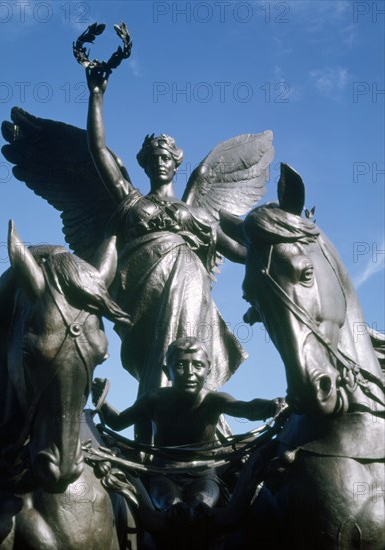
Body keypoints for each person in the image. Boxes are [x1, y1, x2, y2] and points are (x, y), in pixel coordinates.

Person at [86, 68, 248, 442]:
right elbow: (97, 150)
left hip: (191, 287)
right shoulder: (130, 200)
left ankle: (202, 431)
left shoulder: (201, 214)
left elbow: (240, 252)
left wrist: (281, 240)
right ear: (144, 163)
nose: (161, 160)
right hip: (143, 294)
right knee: (151, 360)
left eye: (167, 156)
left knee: (187, 358)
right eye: (154, 156)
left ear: (176, 163)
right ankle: (145, 437)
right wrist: (97, 94)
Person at [92, 337, 285, 519]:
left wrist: (271, 406)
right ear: (168, 372)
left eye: (198, 365)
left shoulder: (214, 400)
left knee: (201, 503)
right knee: (171, 504)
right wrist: (101, 401)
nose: (190, 371)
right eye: (181, 365)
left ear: (208, 370)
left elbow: (246, 409)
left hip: (204, 473)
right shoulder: (154, 399)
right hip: (163, 473)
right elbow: (117, 422)